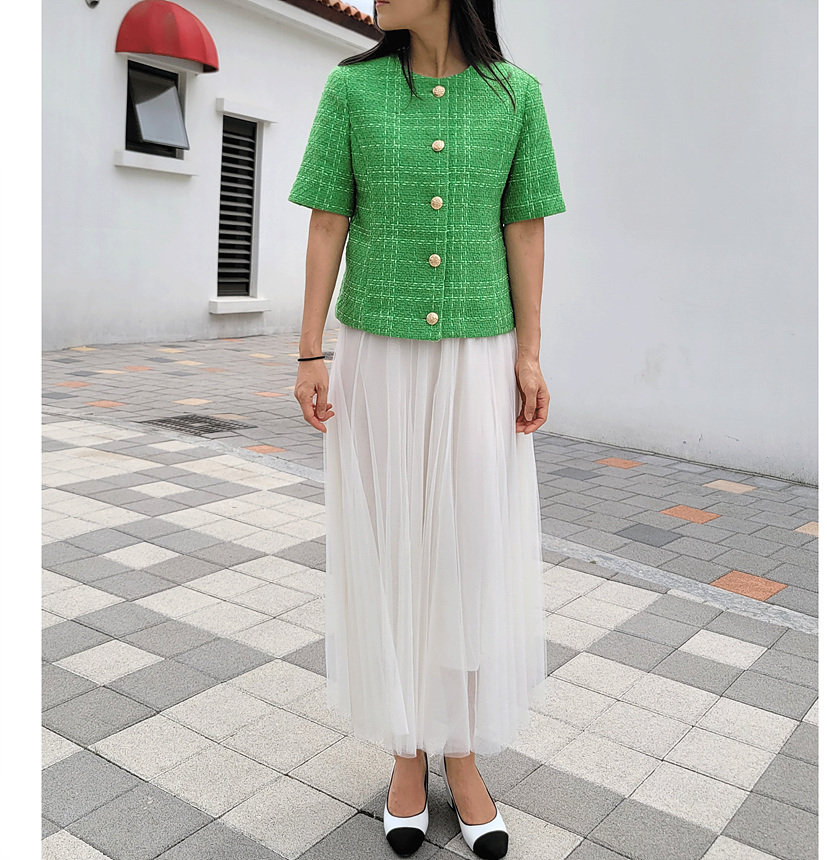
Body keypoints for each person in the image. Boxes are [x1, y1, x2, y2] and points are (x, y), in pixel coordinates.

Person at [288, 2, 566, 857]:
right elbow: (327, 220)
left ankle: (463, 750)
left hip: (480, 356)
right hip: (377, 354)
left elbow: (525, 227)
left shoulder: (516, 95)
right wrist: (309, 351)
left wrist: (529, 354)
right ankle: (407, 753)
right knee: (396, 550)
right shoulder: (351, 90)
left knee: (469, 554)